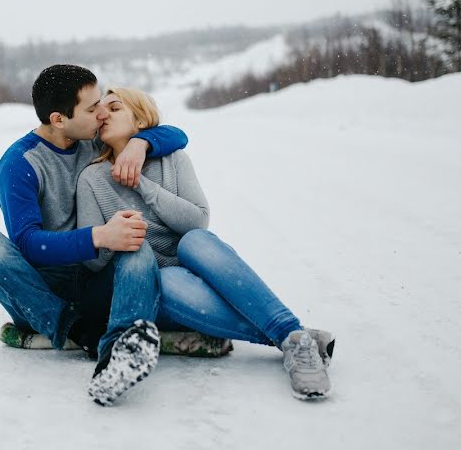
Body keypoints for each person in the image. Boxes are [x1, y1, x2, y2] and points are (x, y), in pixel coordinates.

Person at [76, 87, 335, 400]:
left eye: (114, 108)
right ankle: (293, 336)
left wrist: (144, 186)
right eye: (100, 110)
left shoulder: (172, 160)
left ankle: (290, 335)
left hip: (196, 261)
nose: (103, 115)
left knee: (195, 240)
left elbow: (198, 220)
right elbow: (92, 261)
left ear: (141, 120)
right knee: (166, 279)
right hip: (157, 282)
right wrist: (111, 236)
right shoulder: (91, 178)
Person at [0, 65, 189, 406]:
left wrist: (141, 144)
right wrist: (98, 237)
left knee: (136, 244)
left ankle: (117, 352)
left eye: (101, 102)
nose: (102, 114)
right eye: (91, 109)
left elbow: (176, 135)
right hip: (43, 292)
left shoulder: (90, 139)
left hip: (93, 281)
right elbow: (28, 243)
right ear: (59, 119)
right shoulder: (20, 163)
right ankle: (77, 330)